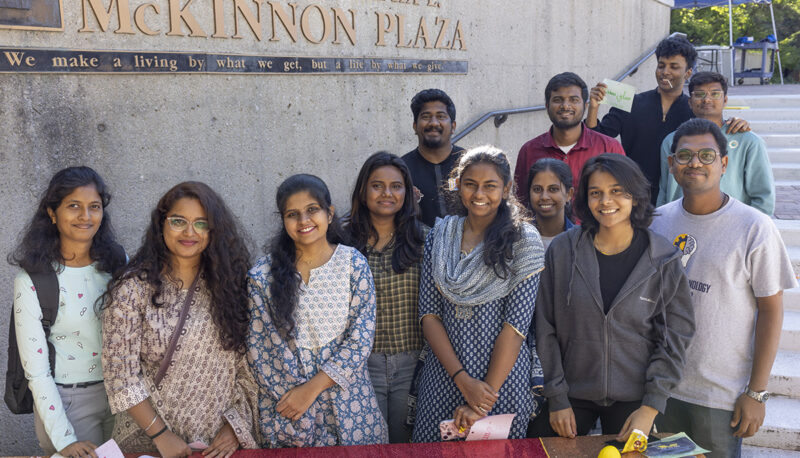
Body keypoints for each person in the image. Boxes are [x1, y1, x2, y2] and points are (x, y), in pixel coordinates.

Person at [651, 118, 796, 456]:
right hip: (660, 390)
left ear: (724, 163)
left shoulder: (755, 228)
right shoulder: (657, 222)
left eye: (706, 155)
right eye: (684, 156)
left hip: (719, 397)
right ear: (671, 165)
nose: (695, 163)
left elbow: (771, 311)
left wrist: (756, 392)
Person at [530, 153, 695, 443]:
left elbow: (675, 336)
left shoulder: (663, 259)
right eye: (596, 193)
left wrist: (651, 406)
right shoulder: (562, 251)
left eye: (617, 191)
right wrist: (556, 397)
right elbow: (545, 327)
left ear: (635, 196)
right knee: (538, 445)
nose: (606, 201)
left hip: (635, 396)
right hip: (571, 393)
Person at [103, 182, 259, 456]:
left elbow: (247, 369)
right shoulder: (133, 289)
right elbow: (121, 377)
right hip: (147, 444)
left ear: (213, 230)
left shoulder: (231, 288)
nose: (189, 232)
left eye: (201, 223)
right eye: (178, 221)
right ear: (161, 223)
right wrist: (162, 437)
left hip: (215, 446)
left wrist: (235, 427)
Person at [411, 146, 546, 442]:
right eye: (470, 184)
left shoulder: (524, 240)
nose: (479, 194)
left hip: (500, 383)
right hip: (445, 376)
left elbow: (515, 328)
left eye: (490, 186)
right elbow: (429, 315)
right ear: (459, 186)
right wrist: (462, 380)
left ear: (507, 188)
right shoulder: (441, 235)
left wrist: (483, 396)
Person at [247, 174, 388, 447]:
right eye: (293, 214)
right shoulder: (262, 277)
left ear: (330, 213)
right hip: (291, 411)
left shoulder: (352, 264)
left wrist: (312, 389)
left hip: (351, 406)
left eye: (312, 210)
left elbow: (361, 339)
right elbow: (259, 350)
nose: (304, 221)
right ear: (283, 220)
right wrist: (299, 397)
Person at [10, 166, 126, 457]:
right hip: (69, 405)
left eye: (94, 207)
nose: (85, 216)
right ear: (52, 213)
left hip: (123, 398)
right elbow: (36, 372)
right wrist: (64, 441)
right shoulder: (33, 280)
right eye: (74, 206)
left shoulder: (117, 264)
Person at [586, 35, 748, 203]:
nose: (665, 72)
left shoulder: (695, 110)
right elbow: (596, 137)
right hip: (632, 194)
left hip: (676, 197)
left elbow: (716, 129)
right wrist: (594, 107)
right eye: (661, 66)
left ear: (688, 73)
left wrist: (738, 123)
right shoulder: (630, 103)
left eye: (674, 67)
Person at [344, 153, 427, 443]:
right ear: (363, 191)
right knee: (367, 446)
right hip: (360, 366)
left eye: (396, 186)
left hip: (413, 364)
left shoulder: (425, 241)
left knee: (407, 446)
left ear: (408, 192)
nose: (387, 193)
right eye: (377, 185)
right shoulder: (341, 243)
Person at [656, 72, 774, 215]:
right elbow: (664, 189)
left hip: (732, 224)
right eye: (699, 94)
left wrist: (752, 228)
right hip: (681, 223)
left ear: (725, 100)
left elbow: (764, 196)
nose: (707, 99)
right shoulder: (672, 140)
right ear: (690, 101)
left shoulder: (748, 141)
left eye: (715, 94)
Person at [514, 72, 624, 208]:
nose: (565, 106)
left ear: (585, 105)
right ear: (547, 106)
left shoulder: (609, 147)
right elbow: (521, 203)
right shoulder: (529, 151)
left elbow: (622, 198)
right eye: (558, 100)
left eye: (574, 100)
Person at [402, 88, 465, 227]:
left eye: (441, 116)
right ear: (415, 126)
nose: (433, 123)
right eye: (425, 116)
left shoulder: (470, 164)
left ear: (453, 126)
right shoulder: (401, 169)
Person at [526, 158, 576, 250]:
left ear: (569, 194)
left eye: (553, 189)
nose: (544, 197)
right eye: (537, 189)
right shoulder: (516, 239)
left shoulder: (582, 240)